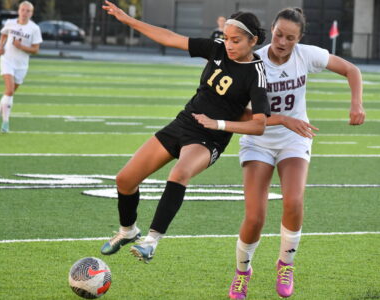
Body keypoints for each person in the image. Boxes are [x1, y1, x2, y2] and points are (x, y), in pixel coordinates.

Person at [100, 1, 270, 263]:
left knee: (179, 173)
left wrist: (220, 124)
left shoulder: (257, 74)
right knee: (124, 180)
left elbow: (259, 124)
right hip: (183, 122)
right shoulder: (217, 49)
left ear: (253, 40)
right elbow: (170, 38)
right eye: (226, 38)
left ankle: (151, 242)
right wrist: (128, 20)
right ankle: (128, 231)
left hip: (209, 138)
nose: (229, 44)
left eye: (236, 40)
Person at [228, 7, 366, 299]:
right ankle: (242, 273)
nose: (282, 42)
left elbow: (351, 70)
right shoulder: (254, 61)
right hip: (258, 139)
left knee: (294, 199)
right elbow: (240, 117)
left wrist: (357, 104)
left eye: (290, 38)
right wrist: (282, 119)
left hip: (294, 139)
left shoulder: (307, 55)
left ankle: (285, 264)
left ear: (299, 39)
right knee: (255, 218)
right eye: (278, 34)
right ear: (272, 31)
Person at [0, 1, 42, 133]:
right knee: (10, 90)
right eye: (23, 10)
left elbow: (35, 50)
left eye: (28, 11)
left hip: (21, 65)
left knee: (8, 93)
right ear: (18, 11)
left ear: (32, 13)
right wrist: (0, 47)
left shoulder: (34, 28)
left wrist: (21, 47)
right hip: (7, 60)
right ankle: (6, 123)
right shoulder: (10, 23)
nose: (25, 13)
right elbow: (4, 34)